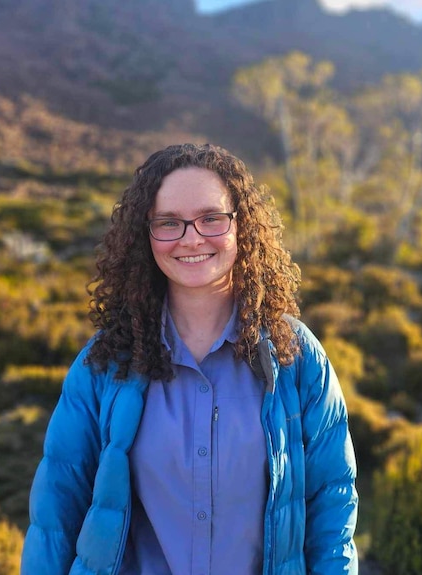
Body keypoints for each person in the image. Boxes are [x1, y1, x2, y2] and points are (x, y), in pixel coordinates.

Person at [21, 143, 358, 575]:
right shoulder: (104, 363)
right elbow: (55, 518)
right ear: (146, 236)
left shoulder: (297, 356)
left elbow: (333, 509)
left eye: (211, 218)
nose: (191, 237)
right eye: (169, 223)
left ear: (243, 227)